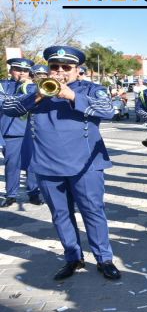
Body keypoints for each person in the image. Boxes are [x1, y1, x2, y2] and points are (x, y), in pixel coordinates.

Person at [3, 46, 121, 280]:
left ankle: (104, 259)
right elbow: (10, 109)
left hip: (85, 165)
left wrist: (72, 96)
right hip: (47, 165)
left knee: (93, 212)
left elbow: (109, 111)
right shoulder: (37, 91)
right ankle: (73, 258)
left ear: (77, 70)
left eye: (66, 68)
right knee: (60, 214)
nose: (59, 72)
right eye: (54, 67)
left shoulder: (91, 89)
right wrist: (37, 95)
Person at [0, 58, 42, 207]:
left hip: (30, 130)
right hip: (11, 132)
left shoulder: (34, 87)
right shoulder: (2, 85)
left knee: (32, 164)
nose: (22, 73)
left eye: (25, 70)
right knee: (12, 165)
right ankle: (11, 195)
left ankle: (34, 193)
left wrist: (28, 89)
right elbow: (3, 102)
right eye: (18, 69)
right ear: (11, 70)